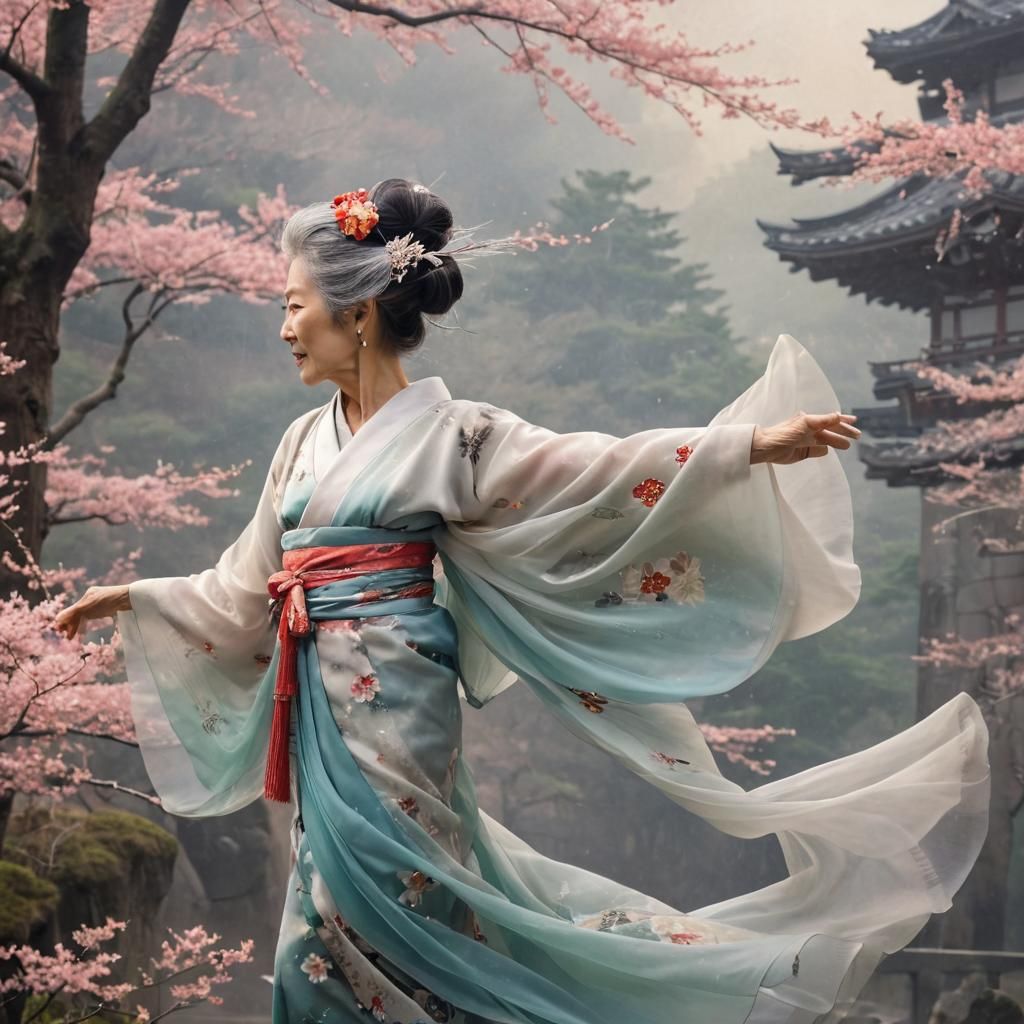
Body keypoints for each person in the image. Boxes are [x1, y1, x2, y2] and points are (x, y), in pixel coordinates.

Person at [54, 178, 989, 1024]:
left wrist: (742, 445)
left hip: (398, 709)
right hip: (320, 719)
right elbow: (239, 582)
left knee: (402, 905)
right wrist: (136, 597)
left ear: (363, 315)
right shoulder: (302, 440)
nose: (287, 328)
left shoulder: (457, 436)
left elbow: (593, 467)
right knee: (316, 940)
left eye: (297, 307)